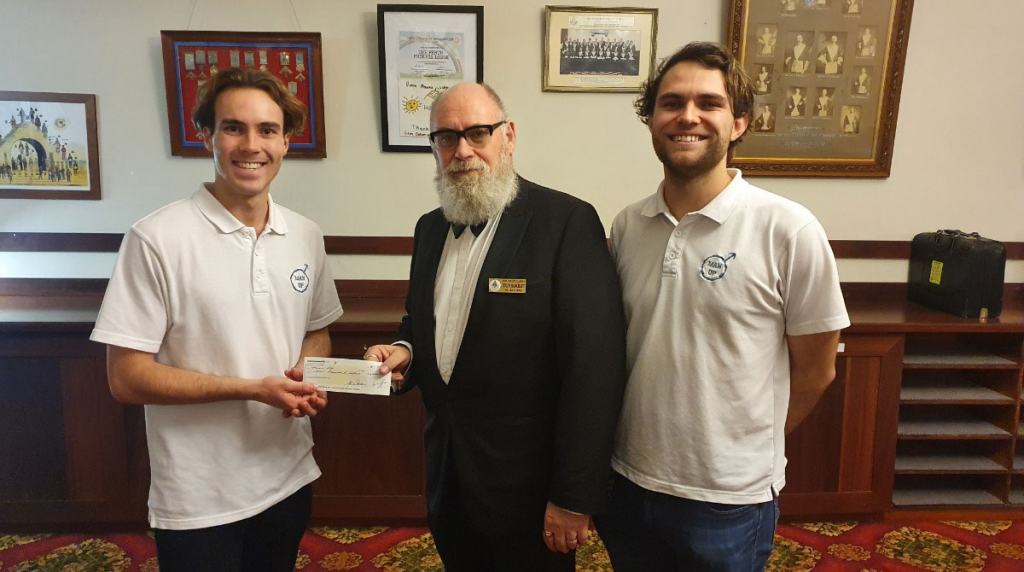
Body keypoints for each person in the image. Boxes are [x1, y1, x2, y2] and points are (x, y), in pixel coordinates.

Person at [594, 41, 849, 572]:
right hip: (627, 483)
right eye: (671, 102)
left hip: (727, 503)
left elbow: (817, 371)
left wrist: (740, 452)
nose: (688, 116)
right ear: (650, 119)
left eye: (709, 103)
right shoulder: (626, 225)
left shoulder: (789, 229)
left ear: (738, 123)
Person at [364, 82, 627, 572]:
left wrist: (574, 495)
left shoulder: (566, 222)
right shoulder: (429, 227)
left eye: (477, 133)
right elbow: (423, 322)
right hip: (448, 476)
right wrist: (404, 349)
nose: (462, 150)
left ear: (508, 136)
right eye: (446, 138)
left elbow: (595, 370)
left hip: (530, 493)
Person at [90, 68, 343, 572]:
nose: (252, 145)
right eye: (234, 127)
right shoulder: (156, 239)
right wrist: (252, 388)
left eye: (268, 130)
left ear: (286, 142)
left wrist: (306, 372)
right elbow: (126, 376)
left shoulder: (305, 235)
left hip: (288, 474)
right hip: (198, 495)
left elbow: (318, 331)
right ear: (206, 135)